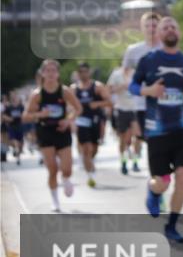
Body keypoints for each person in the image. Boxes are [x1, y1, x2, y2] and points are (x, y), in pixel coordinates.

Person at [131, 17, 183, 243]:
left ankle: (171, 226)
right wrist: (149, 91)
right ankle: (153, 191)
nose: (170, 30)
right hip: (157, 131)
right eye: (165, 27)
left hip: (182, 128)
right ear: (159, 34)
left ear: (179, 33)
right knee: (162, 182)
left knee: (182, 176)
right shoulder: (149, 60)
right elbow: (133, 86)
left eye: (174, 27)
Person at [23, 60, 83, 211]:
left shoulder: (64, 91)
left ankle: (66, 179)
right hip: (45, 132)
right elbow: (26, 116)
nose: (50, 73)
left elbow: (78, 108)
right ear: (42, 73)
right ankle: (55, 201)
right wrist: (40, 114)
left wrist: (68, 120)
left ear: (58, 73)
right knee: (52, 169)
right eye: (47, 70)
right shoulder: (37, 94)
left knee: (67, 169)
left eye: (53, 70)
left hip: (62, 131)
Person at [122, 12, 160, 164]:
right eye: (147, 25)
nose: (151, 28)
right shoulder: (133, 50)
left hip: (164, 101)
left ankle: (159, 171)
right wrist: (138, 79)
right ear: (142, 28)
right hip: (141, 103)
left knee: (161, 139)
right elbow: (125, 73)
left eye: (154, 25)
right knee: (149, 139)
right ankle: (157, 172)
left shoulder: (166, 47)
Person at [71, 62, 112, 188]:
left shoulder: (97, 87)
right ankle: (90, 175)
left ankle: (90, 161)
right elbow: (68, 106)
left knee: (94, 149)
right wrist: (71, 119)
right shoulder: (73, 89)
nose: (83, 74)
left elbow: (109, 102)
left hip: (95, 120)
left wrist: (97, 104)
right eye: (81, 72)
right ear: (78, 73)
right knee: (86, 148)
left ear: (89, 72)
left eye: (85, 71)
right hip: (81, 121)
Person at [107, 65, 141, 174]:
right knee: (123, 139)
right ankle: (123, 162)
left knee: (137, 136)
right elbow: (109, 90)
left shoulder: (136, 73)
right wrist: (122, 86)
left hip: (135, 109)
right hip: (121, 109)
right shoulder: (116, 74)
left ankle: (135, 162)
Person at [1, 93, 26, 165]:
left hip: (20, 126)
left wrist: (23, 117)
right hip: (11, 126)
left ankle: (17, 153)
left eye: (15, 97)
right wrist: (9, 119)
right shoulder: (8, 107)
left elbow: (25, 114)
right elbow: (3, 115)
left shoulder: (21, 107)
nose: (14, 98)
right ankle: (17, 155)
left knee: (20, 143)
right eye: (13, 97)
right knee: (15, 141)